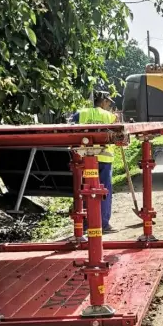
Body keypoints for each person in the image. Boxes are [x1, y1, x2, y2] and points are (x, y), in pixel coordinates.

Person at [70, 91, 117, 232]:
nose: (109, 105)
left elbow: (68, 129)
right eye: (108, 102)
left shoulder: (81, 114)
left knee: (84, 189)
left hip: (84, 159)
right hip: (105, 159)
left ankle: (84, 223)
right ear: (103, 102)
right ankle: (103, 223)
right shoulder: (111, 117)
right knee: (104, 192)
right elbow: (120, 135)